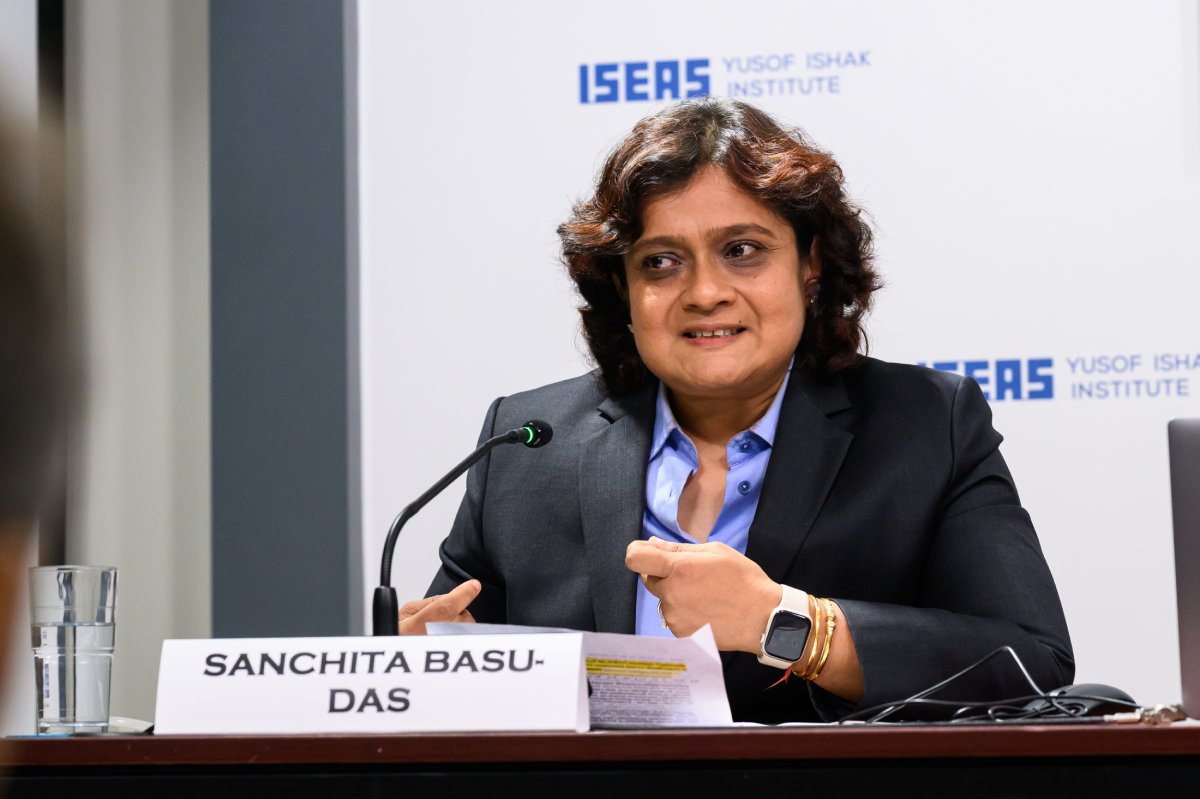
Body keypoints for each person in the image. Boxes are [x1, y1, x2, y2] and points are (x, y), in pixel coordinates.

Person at [398, 98, 1073, 723]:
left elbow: (1030, 662)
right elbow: (458, 663)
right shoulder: (527, 445)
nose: (704, 292)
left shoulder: (926, 426)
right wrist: (417, 667)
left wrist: (784, 622)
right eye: (661, 262)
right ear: (623, 288)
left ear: (810, 265)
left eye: (741, 251)